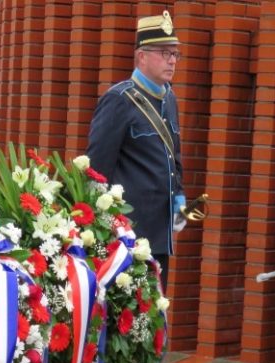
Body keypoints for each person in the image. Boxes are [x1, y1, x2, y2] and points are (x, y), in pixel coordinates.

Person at [86, 10, 185, 290]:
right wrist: (104, 227)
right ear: (142, 56)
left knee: (157, 309)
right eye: (164, 53)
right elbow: (96, 169)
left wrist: (178, 197)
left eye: (175, 53)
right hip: (128, 234)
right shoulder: (120, 100)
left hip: (160, 232)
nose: (172, 60)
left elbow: (174, 157)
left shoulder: (169, 99)